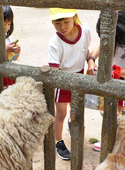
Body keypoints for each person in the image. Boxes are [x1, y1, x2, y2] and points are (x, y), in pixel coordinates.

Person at [88, 10, 125, 151]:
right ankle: (109, 140)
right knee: (109, 111)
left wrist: (116, 72)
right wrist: (91, 60)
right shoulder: (111, 32)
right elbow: (101, 44)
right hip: (111, 78)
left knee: (122, 114)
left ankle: (121, 142)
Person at [48, 8, 93, 160]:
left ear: (75, 17)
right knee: (61, 113)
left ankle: (71, 124)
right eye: (57, 23)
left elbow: (85, 49)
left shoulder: (85, 31)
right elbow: (54, 71)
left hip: (79, 76)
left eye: (66, 22)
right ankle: (58, 140)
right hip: (62, 78)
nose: (62, 27)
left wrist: (90, 60)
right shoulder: (54, 43)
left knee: (76, 109)